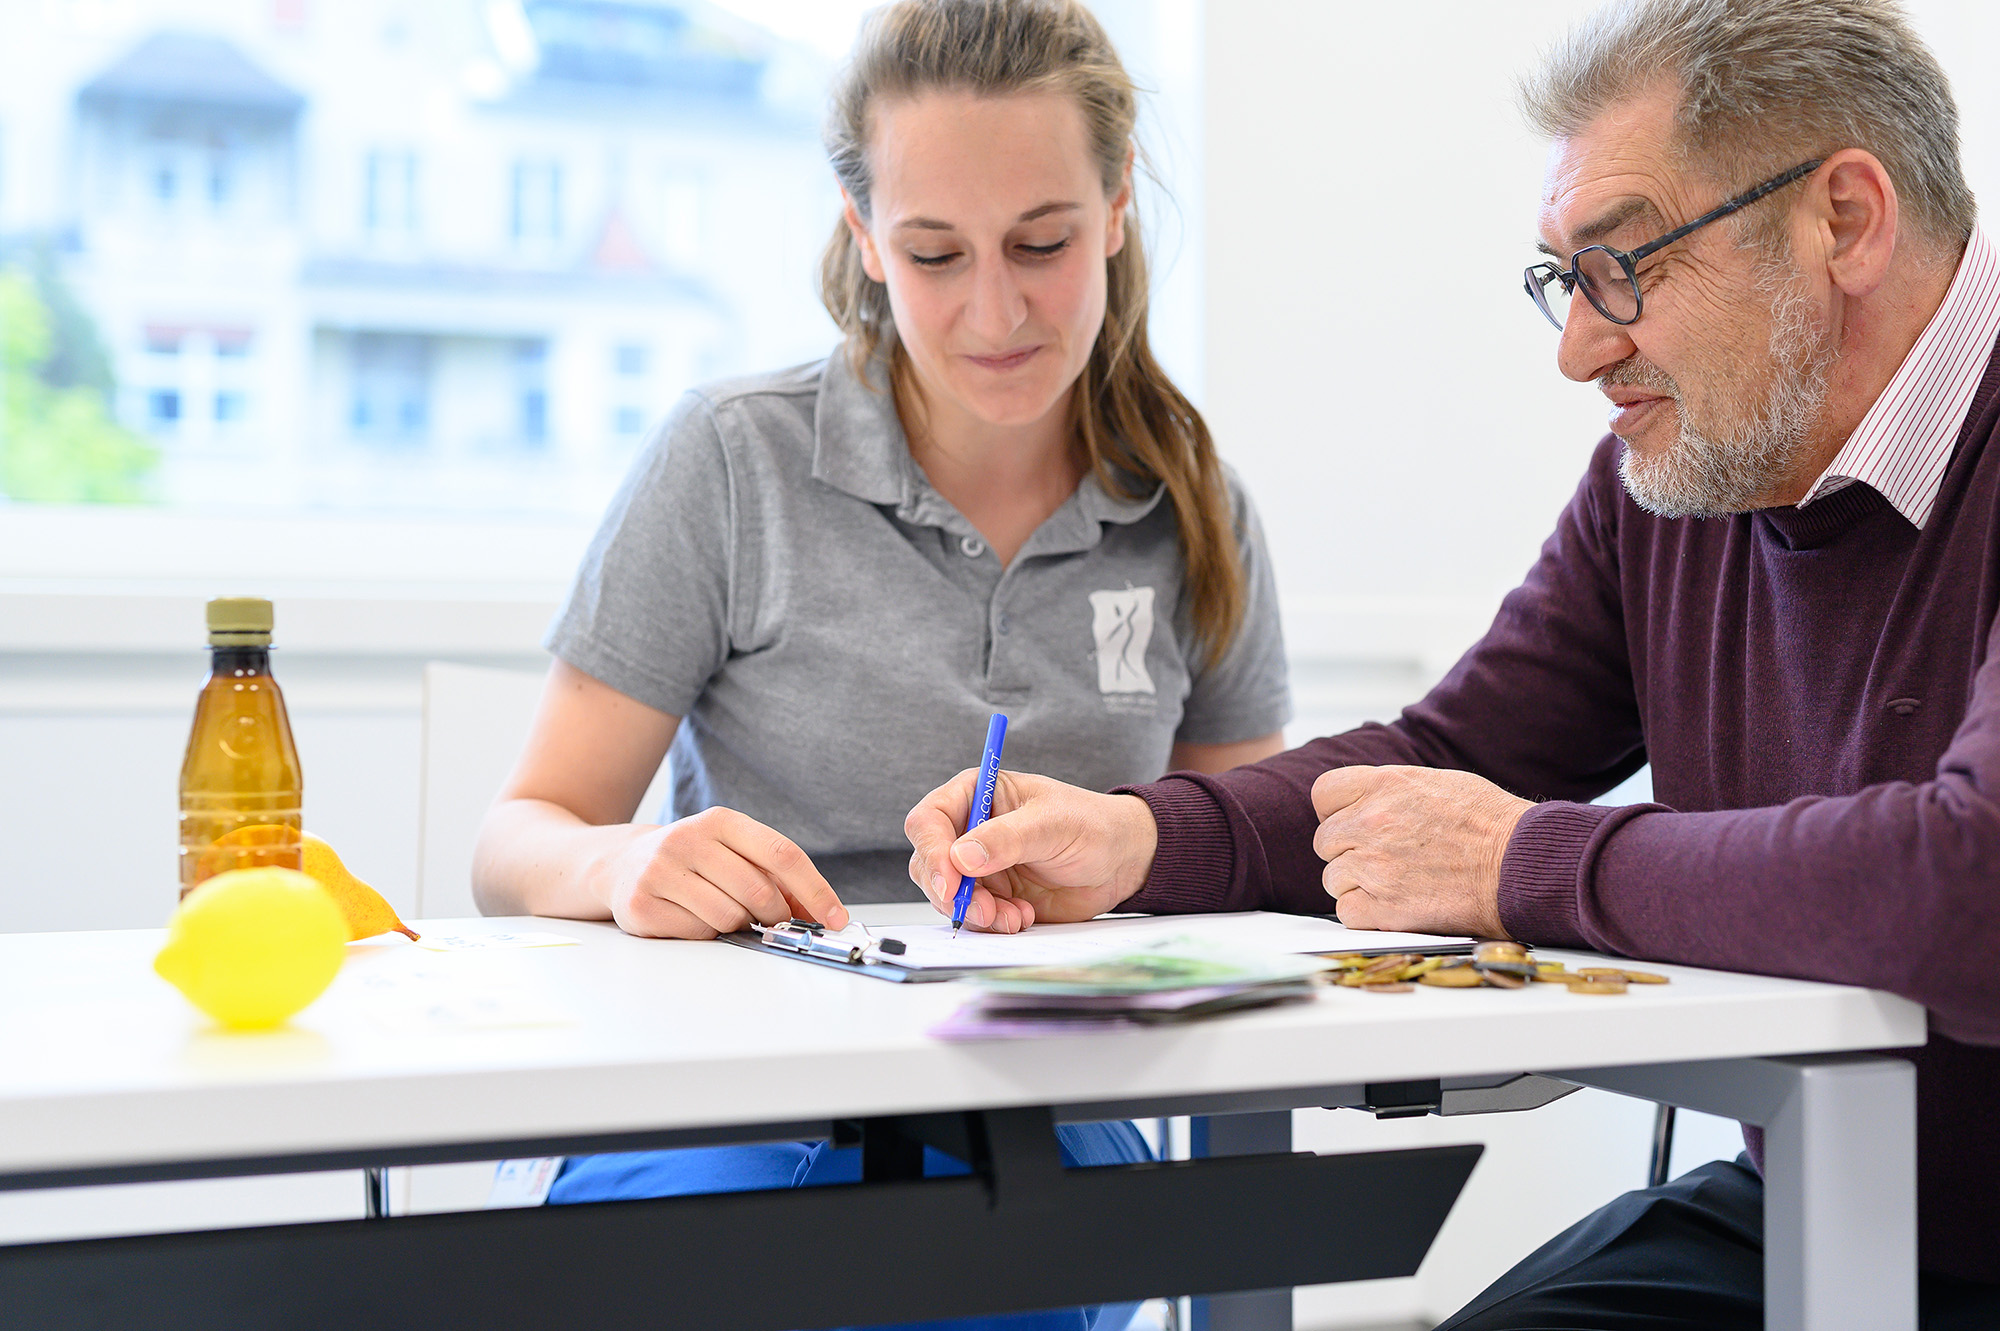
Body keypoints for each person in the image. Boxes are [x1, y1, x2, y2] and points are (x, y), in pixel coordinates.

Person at [904, 1, 2000, 1326]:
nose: (1579, 349)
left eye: (1622, 267)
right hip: (1833, 1207)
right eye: (1562, 280)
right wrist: (1136, 839)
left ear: (1844, 220)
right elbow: (1447, 761)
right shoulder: (1684, 474)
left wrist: (1519, 863)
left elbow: (1970, 886)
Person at [472, 2, 1288, 1326]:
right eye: (933, 253)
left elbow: (1249, 866)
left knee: (976, 1266)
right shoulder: (733, 459)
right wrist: (624, 866)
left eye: (1042, 243)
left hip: (1040, 1099)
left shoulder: (1192, 508)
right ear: (863, 236)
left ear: (1118, 205)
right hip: (730, 1088)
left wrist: (1120, 869)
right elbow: (517, 840)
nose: (995, 309)